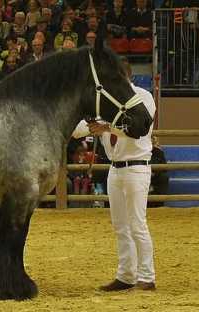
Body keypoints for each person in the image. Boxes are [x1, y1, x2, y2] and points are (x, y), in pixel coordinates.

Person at [72, 56, 157, 291]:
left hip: (137, 167)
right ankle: (126, 275)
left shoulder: (143, 97)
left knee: (137, 224)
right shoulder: (107, 102)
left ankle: (147, 276)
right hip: (115, 169)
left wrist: (107, 128)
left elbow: (138, 129)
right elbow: (82, 128)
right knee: (120, 225)